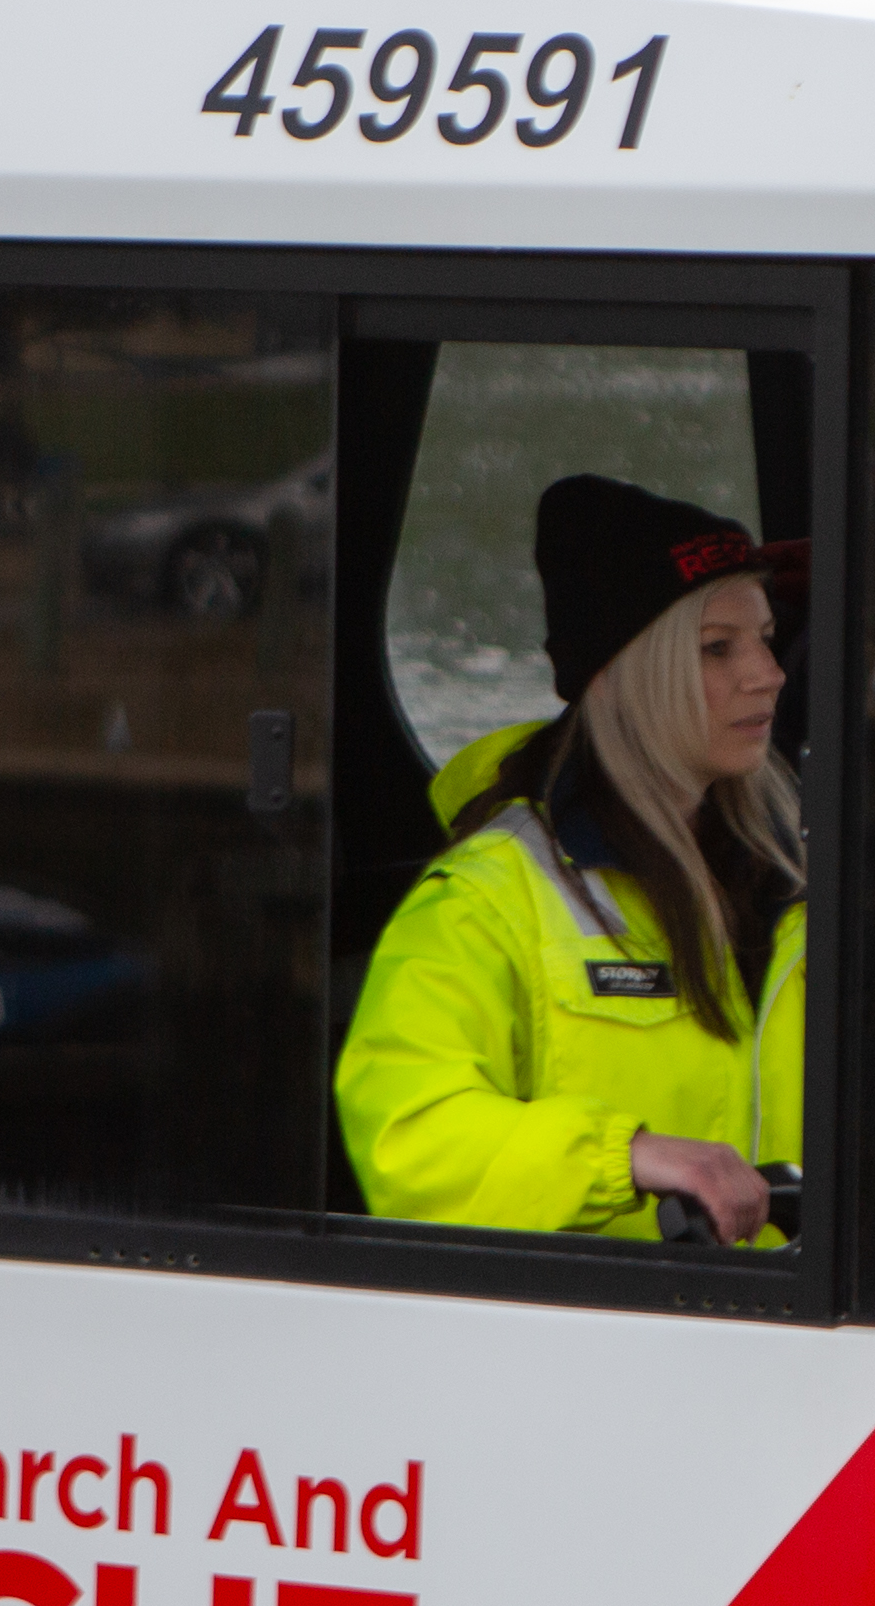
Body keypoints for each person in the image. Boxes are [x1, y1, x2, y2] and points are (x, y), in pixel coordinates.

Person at [337, 478, 804, 1246]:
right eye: (718, 648)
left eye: (765, 637)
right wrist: (626, 1157)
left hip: (803, 1339)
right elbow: (408, 1138)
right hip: (597, 1344)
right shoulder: (486, 899)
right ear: (621, 673)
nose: (768, 673)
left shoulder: (804, 881)